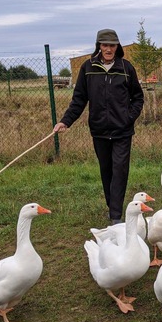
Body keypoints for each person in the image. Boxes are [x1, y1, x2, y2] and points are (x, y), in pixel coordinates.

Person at [53, 29, 144, 224]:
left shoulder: (126, 68)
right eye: (105, 45)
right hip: (100, 130)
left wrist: (129, 117)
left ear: (117, 47)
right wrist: (65, 121)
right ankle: (113, 207)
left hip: (122, 131)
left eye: (112, 45)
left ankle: (115, 216)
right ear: (99, 46)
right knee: (107, 170)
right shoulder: (88, 68)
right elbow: (79, 99)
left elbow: (138, 98)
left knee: (120, 170)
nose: (109, 49)